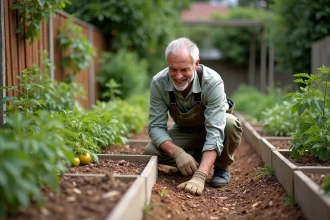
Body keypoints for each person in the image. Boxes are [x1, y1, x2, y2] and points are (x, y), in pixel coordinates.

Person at [144, 37, 242, 196]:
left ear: (196, 64)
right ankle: (192, 157)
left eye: (184, 69)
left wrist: (200, 176)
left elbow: (216, 131)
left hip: (211, 128)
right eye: (173, 69)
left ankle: (221, 167)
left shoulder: (212, 82)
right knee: (151, 150)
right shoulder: (159, 83)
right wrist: (177, 153)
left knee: (230, 123)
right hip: (185, 130)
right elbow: (156, 127)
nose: (178, 76)